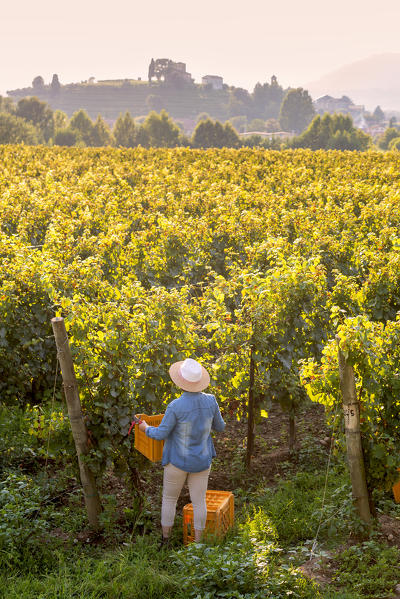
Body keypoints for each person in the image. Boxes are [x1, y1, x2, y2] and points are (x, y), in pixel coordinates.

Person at [139, 357, 225, 545]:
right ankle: (198, 544)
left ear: (181, 381)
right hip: (202, 461)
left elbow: (161, 433)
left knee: (169, 499)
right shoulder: (211, 401)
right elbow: (220, 427)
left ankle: (166, 540)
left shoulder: (175, 406)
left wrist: (145, 428)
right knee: (199, 501)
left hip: (177, 461)